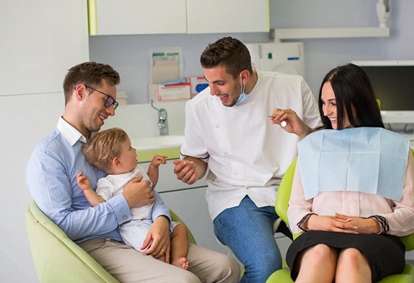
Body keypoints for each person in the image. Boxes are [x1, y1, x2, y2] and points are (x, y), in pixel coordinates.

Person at [26, 61, 240, 283]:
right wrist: (124, 204)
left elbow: (141, 186)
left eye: (113, 103)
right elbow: (63, 226)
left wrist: (161, 220)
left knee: (226, 267)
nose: (110, 111)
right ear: (80, 92)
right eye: (106, 101)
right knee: (185, 281)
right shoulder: (48, 156)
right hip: (98, 245)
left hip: (142, 228)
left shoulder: (105, 143)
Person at [173, 36, 322, 282]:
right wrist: (193, 168)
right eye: (208, 82)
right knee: (266, 266)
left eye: (219, 83)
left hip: (293, 191)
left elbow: (322, 144)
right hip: (236, 196)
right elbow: (197, 158)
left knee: (326, 252)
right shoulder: (200, 106)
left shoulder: (292, 87)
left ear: (243, 75)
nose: (212, 92)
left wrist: (301, 130)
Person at [286, 63, 414, 283]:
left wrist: (372, 224)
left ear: (357, 101)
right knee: (319, 254)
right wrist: (319, 222)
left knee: (351, 257)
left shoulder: (394, 147)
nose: (326, 112)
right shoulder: (313, 146)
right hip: (319, 235)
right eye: (323, 103)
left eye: (333, 104)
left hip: (375, 239)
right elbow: (296, 209)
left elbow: (411, 214)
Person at [76, 127, 189, 269]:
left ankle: (177, 260)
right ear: (117, 162)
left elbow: (150, 185)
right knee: (153, 247)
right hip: (133, 225)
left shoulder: (137, 170)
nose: (134, 150)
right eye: (130, 148)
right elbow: (100, 204)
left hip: (152, 219)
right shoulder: (108, 183)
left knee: (180, 229)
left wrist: (153, 167)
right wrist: (87, 189)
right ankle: (168, 270)